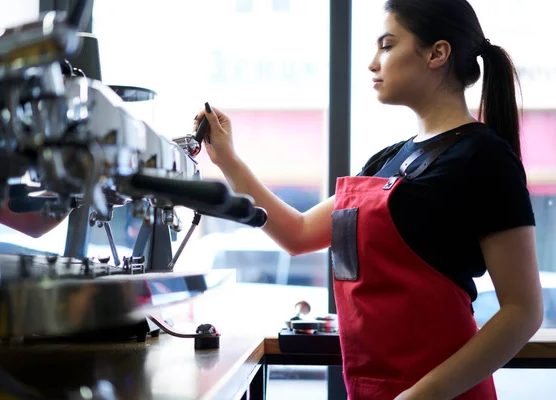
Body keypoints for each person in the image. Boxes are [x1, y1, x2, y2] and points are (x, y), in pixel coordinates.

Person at [194, 0, 543, 399]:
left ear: (437, 53)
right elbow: (299, 233)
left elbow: (523, 311)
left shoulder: (486, 158)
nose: (372, 63)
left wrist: (420, 395)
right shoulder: (387, 159)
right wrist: (228, 160)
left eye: (388, 45)